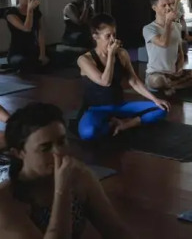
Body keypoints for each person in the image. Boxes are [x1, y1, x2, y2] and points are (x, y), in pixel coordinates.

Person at [0, 102, 132, 238]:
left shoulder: (80, 177)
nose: (58, 152)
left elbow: (116, 231)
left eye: (61, 142)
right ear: (18, 153)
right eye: (45, 148)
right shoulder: (6, 201)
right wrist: (62, 189)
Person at [78, 13, 170, 140]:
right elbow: (105, 82)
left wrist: (155, 99)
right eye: (108, 36)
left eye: (114, 35)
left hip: (119, 106)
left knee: (162, 109)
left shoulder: (122, 54)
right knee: (88, 133)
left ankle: (124, 125)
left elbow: (134, 81)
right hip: (96, 109)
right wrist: (111, 56)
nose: (112, 40)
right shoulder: (84, 60)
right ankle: (112, 124)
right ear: (95, 36)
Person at [144, 0, 192, 96]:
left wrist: (179, 68)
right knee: (158, 81)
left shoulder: (177, 26)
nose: (168, 8)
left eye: (170, 4)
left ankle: (172, 86)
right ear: (154, 8)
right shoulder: (148, 28)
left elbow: (180, 52)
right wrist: (168, 23)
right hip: (155, 74)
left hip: (173, 73)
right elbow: (163, 43)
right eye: (164, 5)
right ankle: (173, 84)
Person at [6, 0, 48, 72]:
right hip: (17, 52)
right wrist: (30, 10)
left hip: (33, 50)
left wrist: (42, 54)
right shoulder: (11, 13)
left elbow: (40, 33)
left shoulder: (36, 13)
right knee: (25, 62)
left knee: (58, 57)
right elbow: (27, 28)